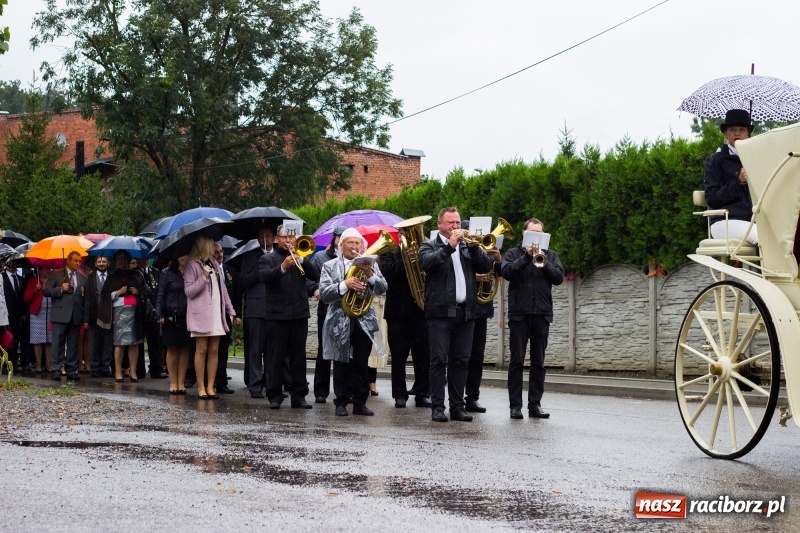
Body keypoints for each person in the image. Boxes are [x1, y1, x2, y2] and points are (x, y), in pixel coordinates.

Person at [418, 207, 497, 422]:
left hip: (466, 313)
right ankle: (437, 407)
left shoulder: (467, 246)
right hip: (440, 313)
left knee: (461, 361)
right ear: (440, 224)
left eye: (458, 222)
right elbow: (427, 264)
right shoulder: (429, 245)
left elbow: (485, 265)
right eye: (451, 222)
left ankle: (457, 407)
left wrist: (473, 248)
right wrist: (449, 247)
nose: (456, 226)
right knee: (438, 361)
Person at [319, 228, 388, 416]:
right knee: (340, 362)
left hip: (364, 319)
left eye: (357, 243)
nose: (354, 247)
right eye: (350, 243)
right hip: (339, 319)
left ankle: (360, 403)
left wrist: (371, 275)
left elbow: (383, 288)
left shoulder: (370, 265)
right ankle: (341, 402)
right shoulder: (330, 266)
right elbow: (324, 294)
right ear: (341, 245)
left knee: (361, 362)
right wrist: (344, 285)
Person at [501, 218, 565, 420]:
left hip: (542, 315)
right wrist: (526, 257)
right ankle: (515, 406)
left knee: (539, 363)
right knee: (516, 362)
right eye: (532, 232)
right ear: (524, 234)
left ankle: (535, 405)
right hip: (519, 315)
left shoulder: (551, 255)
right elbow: (507, 272)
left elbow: (558, 278)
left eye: (540, 232)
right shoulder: (513, 254)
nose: (536, 236)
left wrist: (543, 262)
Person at [258, 224, 320, 409]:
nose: (288, 240)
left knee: (298, 357)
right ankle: (274, 395)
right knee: (275, 357)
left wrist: (302, 259)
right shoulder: (267, 258)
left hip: (299, 314)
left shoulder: (300, 257)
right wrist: (283, 267)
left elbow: (315, 275)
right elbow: (264, 277)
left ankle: (299, 396)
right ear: (277, 239)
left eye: (291, 237)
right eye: (284, 237)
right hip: (277, 315)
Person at [185, 235, 238, 399]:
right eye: (211, 244)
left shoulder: (214, 264)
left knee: (214, 350)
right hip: (201, 315)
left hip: (217, 314)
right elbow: (189, 292)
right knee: (201, 349)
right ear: (204, 246)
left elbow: (223, 290)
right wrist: (203, 276)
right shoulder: (192, 265)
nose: (215, 247)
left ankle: (210, 386)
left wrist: (231, 310)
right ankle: (201, 387)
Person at [378, 248, 431, 408]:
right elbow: (387, 272)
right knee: (398, 357)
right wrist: (407, 259)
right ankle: (399, 395)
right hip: (397, 312)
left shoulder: (423, 249)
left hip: (420, 310)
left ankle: (422, 393)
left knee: (423, 355)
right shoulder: (388, 252)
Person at [703, 108, 758, 245]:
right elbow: (712, 199)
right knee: (762, 236)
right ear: (726, 133)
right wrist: (738, 181)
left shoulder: (756, 159)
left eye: (742, 129)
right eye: (732, 129)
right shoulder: (716, 160)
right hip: (724, 221)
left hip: (753, 221)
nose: (737, 133)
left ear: (748, 133)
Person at [306, 225, 345, 403]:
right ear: (334, 238)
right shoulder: (320, 257)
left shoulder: (353, 258)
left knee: (345, 352)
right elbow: (309, 279)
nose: (342, 241)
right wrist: (314, 289)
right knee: (324, 351)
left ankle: (343, 391)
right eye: (339, 237)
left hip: (347, 310)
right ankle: (321, 391)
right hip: (326, 309)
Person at [43, 251, 88, 382]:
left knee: (73, 344)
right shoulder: (56, 274)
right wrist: (60, 289)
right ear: (68, 260)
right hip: (60, 314)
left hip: (76, 315)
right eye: (75, 260)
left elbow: (86, 300)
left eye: (79, 261)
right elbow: (46, 291)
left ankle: (71, 370)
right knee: (58, 343)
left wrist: (85, 319)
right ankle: (56, 369)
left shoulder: (83, 278)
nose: (78, 263)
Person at [241, 226, 274, 397]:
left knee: (272, 351)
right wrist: (260, 271)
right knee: (255, 349)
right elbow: (244, 280)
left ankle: (271, 385)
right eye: (261, 235)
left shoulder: (279, 255)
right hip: (256, 309)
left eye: (267, 234)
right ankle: (255, 385)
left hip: (275, 308)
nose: (264, 237)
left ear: (274, 237)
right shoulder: (250, 255)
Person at [104, 250, 146, 383]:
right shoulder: (112, 276)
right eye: (119, 259)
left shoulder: (137, 275)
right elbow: (105, 295)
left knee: (134, 342)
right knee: (119, 342)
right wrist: (118, 292)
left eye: (124, 259)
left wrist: (137, 291)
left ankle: (133, 371)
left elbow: (146, 291)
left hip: (134, 311)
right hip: (119, 311)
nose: (122, 261)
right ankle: (118, 370)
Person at [465, 260, 502, 414]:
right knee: (458, 357)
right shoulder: (458, 249)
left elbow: (502, 273)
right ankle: (456, 398)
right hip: (461, 308)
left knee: (477, 356)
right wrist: (470, 276)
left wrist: (498, 260)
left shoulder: (486, 254)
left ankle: (472, 397)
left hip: (480, 310)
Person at [156, 255, 190, 394]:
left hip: (188, 314)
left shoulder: (191, 271)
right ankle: (173, 382)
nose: (183, 257)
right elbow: (161, 294)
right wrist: (159, 313)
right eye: (180, 255)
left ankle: (181, 382)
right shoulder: (167, 272)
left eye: (186, 254)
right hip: (171, 315)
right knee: (172, 348)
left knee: (184, 349)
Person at [213, 242, 241, 395]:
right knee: (212, 350)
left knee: (223, 350)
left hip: (226, 316)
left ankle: (222, 382)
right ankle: (209, 380)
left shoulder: (230, 271)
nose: (220, 255)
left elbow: (236, 294)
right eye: (216, 252)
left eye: (221, 252)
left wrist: (237, 315)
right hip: (212, 316)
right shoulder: (209, 270)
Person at [84, 256, 113, 378]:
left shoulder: (112, 277)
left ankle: (105, 368)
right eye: (99, 262)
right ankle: (95, 368)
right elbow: (86, 298)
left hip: (108, 314)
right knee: (94, 343)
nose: (102, 264)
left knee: (107, 343)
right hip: (93, 315)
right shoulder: (90, 277)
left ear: (108, 263)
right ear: (95, 264)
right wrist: (85, 319)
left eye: (104, 261)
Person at [23, 267, 53, 375]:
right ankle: (39, 365)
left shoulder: (52, 280)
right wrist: (35, 290)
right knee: (38, 340)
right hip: (37, 314)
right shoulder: (33, 281)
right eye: (45, 269)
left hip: (50, 313)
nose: (48, 271)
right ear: (39, 270)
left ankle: (49, 365)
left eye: (49, 269)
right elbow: (26, 298)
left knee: (49, 340)